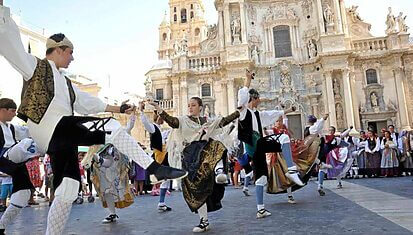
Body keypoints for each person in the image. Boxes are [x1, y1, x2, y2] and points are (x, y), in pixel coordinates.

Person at [0, 6, 187, 234]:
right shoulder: (35, 66)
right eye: (70, 52)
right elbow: (11, 46)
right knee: (108, 126)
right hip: (50, 127)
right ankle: (153, 168)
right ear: (58, 49)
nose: (72, 57)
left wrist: (119, 107)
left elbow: (88, 102)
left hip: (61, 137)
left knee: (67, 189)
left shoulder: (66, 84)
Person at [149, 97, 240, 233]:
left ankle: (219, 170)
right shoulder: (183, 121)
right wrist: (157, 107)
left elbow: (223, 122)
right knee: (197, 190)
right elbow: (171, 121)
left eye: (193, 105)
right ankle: (204, 221)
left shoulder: (207, 122)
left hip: (204, 154)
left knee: (215, 144)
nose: (190, 108)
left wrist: (238, 112)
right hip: (190, 158)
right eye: (189, 105)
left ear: (200, 107)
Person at [237, 70, 302, 219]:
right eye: (258, 98)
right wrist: (247, 79)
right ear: (254, 98)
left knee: (261, 179)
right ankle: (291, 170)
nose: (260, 100)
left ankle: (260, 209)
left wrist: (288, 110)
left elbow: (274, 114)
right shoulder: (244, 112)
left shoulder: (259, 115)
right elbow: (242, 96)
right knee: (284, 138)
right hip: (255, 144)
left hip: (258, 148)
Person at [0, 98, 40, 234]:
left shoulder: (11, 127)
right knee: (28, 143)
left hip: (14, 162)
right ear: (2, 110)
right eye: (12, 111)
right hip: (3, 158)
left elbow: (28, 130)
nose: (14, 114)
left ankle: (1, 226)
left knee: (24, 193)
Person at [139, 102, 173, 212]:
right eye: (161, 117)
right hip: (160, 157)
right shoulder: (153, 128)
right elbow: (145, 122)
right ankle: (161, 202)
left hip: (164, 155)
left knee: (166, 180)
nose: (163, 119)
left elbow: (167, 134)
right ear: (158, 117)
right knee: (165, 178)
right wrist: (141, 111)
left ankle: (161, 202)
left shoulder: (159, 130)